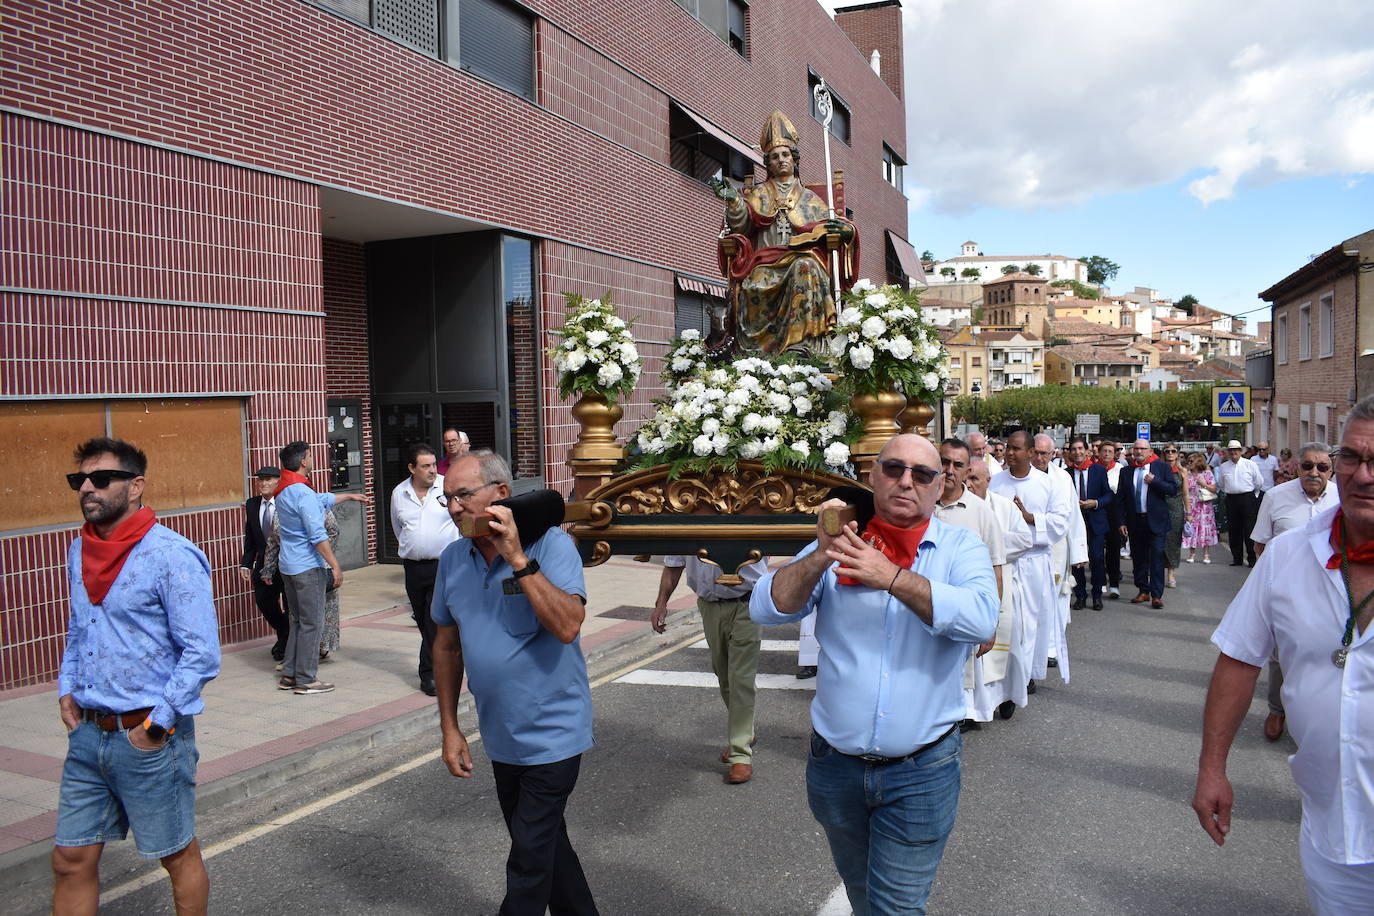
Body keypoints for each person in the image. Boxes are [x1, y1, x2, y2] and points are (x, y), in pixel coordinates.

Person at [750, 434, 997, 914]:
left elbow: (981, 620)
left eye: (922, 474)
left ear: (939, 485)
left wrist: (892, 577)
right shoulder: (842, 542)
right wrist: (821, 555)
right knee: (862, 894)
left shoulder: (959, 546)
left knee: (896, 907)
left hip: (921, 771)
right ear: (872, 475)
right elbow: (766, 607)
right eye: (894, 469)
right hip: (835, 768)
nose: (906, 481)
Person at [1192, 402, 1374, 915]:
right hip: (1334, 836)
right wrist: (1212, 768)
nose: (1364, 475)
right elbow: (1238, 659)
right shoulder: (1288, 555)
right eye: (1351, 457)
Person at [53, 438, 220, 915]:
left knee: (175, 855)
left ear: (135, 486)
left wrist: (156, 726)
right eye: (80, 480)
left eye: (101, 479)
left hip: (148, 737)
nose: (87, 488)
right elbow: (80, 627)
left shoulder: (171, 554)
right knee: (69, 859)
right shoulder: (79, 549)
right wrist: (67, 687)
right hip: (88, 735)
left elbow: (201, 653)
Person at [432, 451, 599, 916]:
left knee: (528, 861)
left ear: (501, 494)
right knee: (548, 850)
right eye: (447, 498)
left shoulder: (552, 546)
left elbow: (568, 626)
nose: (454, 508)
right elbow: (446, 647)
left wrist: (517, 559)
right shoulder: (453, 559)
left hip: (554, 733)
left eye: (463, 495)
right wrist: (450, 728)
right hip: (501, 736)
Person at [713, 110, 856, 356]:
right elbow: (741, 226)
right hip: (764, 262)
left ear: (794, 159)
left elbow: (831, 224)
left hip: (801, 259)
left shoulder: (809, 198)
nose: (781, 160)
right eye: (775, 157)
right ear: (768, 163)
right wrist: (734, 201)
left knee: (805, 268)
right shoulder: (758, 194)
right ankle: (755, 353)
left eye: (785, 154)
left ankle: (802, 346)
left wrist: (846, 230)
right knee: (753, 283)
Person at [1250, 443, 1339, 743]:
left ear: (1331, 470)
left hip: (1331, 594)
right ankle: (1277, 711)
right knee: (1281, 655)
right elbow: (1260, 544)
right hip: (1286, 593)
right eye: (1308, 466)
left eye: (1322, 467)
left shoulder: (1343, 499)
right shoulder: (1275, 497)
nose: (1314, 472)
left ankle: (1319, 715)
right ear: (1296, 468)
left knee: (1328, 654)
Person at [652, 553, 769, 782]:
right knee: (723, 676)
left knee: (741, 678)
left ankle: (740, 753)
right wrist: (661, 604)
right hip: (709, 606)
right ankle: (745, 732)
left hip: (748, 602)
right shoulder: (684, 528)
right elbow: (673, 564)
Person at [273, 441, 368, 696]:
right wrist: (335, 566)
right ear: (304, 460)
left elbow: (321, 499)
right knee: (312, 624)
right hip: (307, 567)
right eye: (311, 455)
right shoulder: (302, 493)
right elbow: (317, 534)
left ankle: (289, 674)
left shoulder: (285, 489)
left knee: (297, 622)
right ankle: (306, 679)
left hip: (288, 566)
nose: (314, 458)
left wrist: (349, 495)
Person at [932, 439, 1011, 732]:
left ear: (967, 471)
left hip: (961, 609)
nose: (949, 470)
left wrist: (991, 622)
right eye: (944, 462)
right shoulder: (920, 505)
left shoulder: (981, 512)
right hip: (921, 604)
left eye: (958, 465)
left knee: (960, 676)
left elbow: (995, 570)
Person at [991, 431, 1070, 702]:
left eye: (1016, 448)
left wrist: (1030, 517)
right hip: (1005, 562)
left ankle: (1025, 676)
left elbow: (1061, 522)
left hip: (1034, 562)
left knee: (1031, 623)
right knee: (1008, 621)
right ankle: (1003, 676)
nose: (1010, 453)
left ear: (1029, 452)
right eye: (1008, 447)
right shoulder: (995, 482)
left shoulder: (1048, 484)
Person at [389, 442, 461, 696]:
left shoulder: (447, 487)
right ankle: (445, 657)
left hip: (443, 564)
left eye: (433, 465)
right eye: (426, 466)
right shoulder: (399, 493)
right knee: (422, 619)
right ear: (412, 468)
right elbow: (398, 527)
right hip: (413, 568)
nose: (432, 470)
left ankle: (429, 674)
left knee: (432, 619)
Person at [964, 460, 1033, 722]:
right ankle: (973, 709)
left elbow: (1025, 540)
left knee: (1007, 647)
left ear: (988, 481)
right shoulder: (960, 508)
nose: (969, 485)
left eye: (975, 479)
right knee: (972, 651)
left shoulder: (1004, 506)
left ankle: (1006, 695)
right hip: (968, 585)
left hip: (1002, 581)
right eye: (966, 479)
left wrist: (988, 542)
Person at [262, 502, 342, 664]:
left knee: (322, 611)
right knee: (298, 615)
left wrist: (325, 557)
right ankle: (298, 659)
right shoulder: (281, 511)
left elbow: (332, 531)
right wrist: (268, 568)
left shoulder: (318, 507)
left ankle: (316, 652)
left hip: (317, 566)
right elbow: (273, 540)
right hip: (291, 569)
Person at [1117, 438, 1178, 609]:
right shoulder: (1126, 471)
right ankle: (1143, 590)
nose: (1139, 452)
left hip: (1156, 520)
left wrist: (1155, 481)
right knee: (1139, 558)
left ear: (1150, 451)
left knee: (1157, 556)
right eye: (1136, 448)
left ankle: (1156, 595)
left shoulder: (1161, 467)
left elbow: (1173, 489)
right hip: (1135, 520)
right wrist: (1121, 521)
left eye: (1143, 449)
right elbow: (1121, 499)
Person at [239, 465, 288, 661]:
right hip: (263, 564)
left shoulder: (285, 503)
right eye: (260, 479)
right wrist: (246, 563)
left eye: (268, 479)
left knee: (291, 605)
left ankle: (286, 645)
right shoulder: (252, 504)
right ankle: (285, 632)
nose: (263, 483)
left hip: (286, 562)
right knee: (263, 601)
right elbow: (250, 536)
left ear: (278, 482)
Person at [1066, 437, 1113, 611]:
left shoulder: (1098, 470)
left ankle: (1097, 594)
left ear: (1087, 451)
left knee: (1097, 558)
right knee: (1077, 559)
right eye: (1074, 449)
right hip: (1074, 522)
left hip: (1095, 519)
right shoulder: (1066, 473)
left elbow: (1108, 495)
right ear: (1070, 453)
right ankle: (1080, 595)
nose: (1077, 452)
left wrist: (1096, 503)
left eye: (1080, 448)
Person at [1218, 438, 1264, 567]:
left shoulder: (1250, 464)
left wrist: (1253, 495)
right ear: (1228, 452)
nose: (1234, 452)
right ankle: (1237, 558)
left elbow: (1259, 482)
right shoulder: (1224, 467)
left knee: (1249, 530)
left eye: (1236, 450)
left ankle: (1252, 559)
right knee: (1234, 530)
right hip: (1231, 499)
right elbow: (1221, 484)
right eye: (1231, 450)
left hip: (1247, 498)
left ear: (1240, 451)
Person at [1097, 440, 1126, 598]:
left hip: (1114, 513)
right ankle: (1100, 581)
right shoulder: (1094, 469)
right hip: (1098, 512)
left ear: (1115, 454)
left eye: (1110, 451)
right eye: (1104, 451)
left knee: (1113, 549)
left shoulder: (1120, 469)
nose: (1107, 454)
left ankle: (1114, 584)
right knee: (1097, 551)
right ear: (1099, 453)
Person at [1162, 445, 1191, 589]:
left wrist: (1189, 513)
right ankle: (1156, 570)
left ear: (1177, 454)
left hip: (1176, 509)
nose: (1170, 453)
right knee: (1158, 540)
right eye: (1167, 451)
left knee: (1173, 541)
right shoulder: (1159, 469)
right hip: (1160, 507)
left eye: (1173, 451)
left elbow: (1185, 494)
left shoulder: (1182, 471)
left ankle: (1171, 573)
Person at [1183, 452, 1219, 564]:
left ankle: (1206, 554)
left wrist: (1204, 484)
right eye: (1188, 461)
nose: (1189, 463)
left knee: (1205, 528)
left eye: (1191, 461)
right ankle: (1192, 553)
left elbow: (1214, 489)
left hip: (1204, 505)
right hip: (1192, 504)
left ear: (1198, 461)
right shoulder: (1187, 474)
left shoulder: (1207, 473)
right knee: (1192, 528)